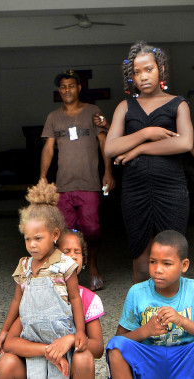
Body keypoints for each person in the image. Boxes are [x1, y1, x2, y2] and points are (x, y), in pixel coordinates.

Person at [102, 42, 194, 283]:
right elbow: (110, 147)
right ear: (131, 77)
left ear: (160, 70)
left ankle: (172, 308)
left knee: (170, 259)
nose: (143, 76)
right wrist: (146, 133)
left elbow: (185, 143)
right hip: (136, 192)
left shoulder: (178, 104)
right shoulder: (125, 107)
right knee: (142, 264)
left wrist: (139, 149)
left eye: (149, 69)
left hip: (171, 190)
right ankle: (144, 308)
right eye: (136, 72)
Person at [105, 231, 194, 379]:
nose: (157, 269)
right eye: (152, 262)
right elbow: (121, 339)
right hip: (149, 361)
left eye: (166, 263)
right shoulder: (137, 292)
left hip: (185, 360)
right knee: (115, 346)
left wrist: (182, 321)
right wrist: (145, 331)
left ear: (184, 265)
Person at [0, 181, 87, 378]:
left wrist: (80, 331)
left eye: (38, 238)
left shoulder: (65, 265)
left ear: (55, 234)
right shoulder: (24, 266)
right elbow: (17, 300)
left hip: (60, 336)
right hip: (31, 337)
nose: (32, 245)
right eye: (27, 239)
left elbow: (75, 298)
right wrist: (5, 329)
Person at [38, 69, 113, 291]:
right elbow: (48, 149)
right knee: (65, 233)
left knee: (92, 230)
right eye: (63, 87)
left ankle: (93, 268)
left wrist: (108, 172)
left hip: (89, 184)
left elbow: (104, 143)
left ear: (79, 88)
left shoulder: (93, 112)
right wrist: (42, 177)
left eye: (71, 86)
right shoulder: (53, 117)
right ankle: (70, 273)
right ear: (59, 91)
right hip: (63, 186)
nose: (67, 90)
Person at [0, 229, 105, 379]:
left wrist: (71, 340)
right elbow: (10, 343)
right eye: (66, 252)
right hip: (34, 364)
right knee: (6, 363)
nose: (72, 256)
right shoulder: (36, 296)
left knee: (83, 358)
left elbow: (98, 348)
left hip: (70, 366)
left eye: (77, 252)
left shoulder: (87, 299)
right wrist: (48, 350)